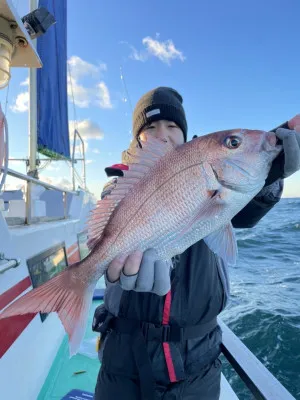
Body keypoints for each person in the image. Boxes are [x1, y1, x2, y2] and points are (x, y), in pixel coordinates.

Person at [92, 87, 300, 400]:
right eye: (150, 127)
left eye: (172, 126)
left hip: (198, 363)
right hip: (123, 362)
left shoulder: (205, 169)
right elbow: (112, 199)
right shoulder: (122, 182)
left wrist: (268, 162)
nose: (163, 134)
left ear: (186, 133)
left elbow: (241, 206)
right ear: (137, 140)